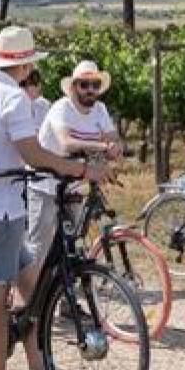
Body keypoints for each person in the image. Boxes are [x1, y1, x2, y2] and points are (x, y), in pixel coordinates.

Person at [0, 26, 106, 370]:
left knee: (30, 287)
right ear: (24, 65)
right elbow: (32, 153)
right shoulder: (13, 98)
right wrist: (79, 170)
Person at [26, 61, 123, 270]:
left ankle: (61, 292)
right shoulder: (62, 108)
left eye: (95, 85)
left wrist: (116, 148)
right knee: (38, 248)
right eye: (84, 85)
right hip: (45, 184)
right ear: (73, 87)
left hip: (73, 183)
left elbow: (113, 138)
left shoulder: (100, 109)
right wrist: (103, 146)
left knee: (72, 240)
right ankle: (25, 297)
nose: (90, 90)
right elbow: (66, 143)